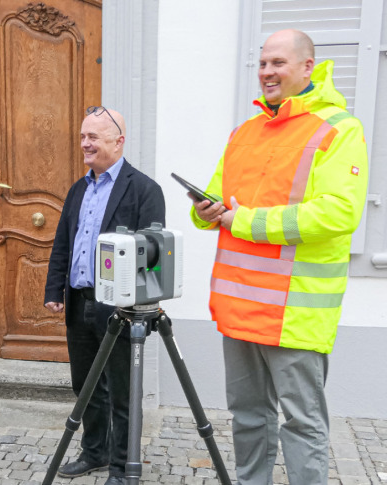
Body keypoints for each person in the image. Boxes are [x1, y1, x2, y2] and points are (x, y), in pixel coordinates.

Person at [190, 29, 369, 484]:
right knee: (248, 416)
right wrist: (204, 210)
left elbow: (338, 214)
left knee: (302, 422)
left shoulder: (339, 129)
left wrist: (242, 221)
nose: (267, 72)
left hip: (296, 312)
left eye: (278, 63)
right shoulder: (244, 132)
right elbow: (217, 197)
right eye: (263, 63)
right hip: (240, 309)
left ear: (308, 67)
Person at [44, 107, 166, 485]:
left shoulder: (145, 189)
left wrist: (140, 308)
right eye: (83, 136)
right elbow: (64, 243)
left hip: (120, 308)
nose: (85, 144)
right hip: (80, 301)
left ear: (118, 141)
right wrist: (54, 288)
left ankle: (122, 467)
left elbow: (153, 256)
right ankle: (94, 452)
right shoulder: (78, 189)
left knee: (122, 392)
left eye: (93, 137)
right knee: (86, 386)